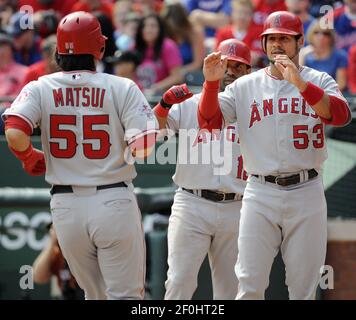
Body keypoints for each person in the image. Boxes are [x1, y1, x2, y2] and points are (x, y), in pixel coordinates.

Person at [2, 11, 158, 300]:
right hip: (113, 199)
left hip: (66, 206)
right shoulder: (121, 86)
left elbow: (13, 131)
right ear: (99, 48)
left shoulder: (39, 86)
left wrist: (27, 156)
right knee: (126, 297)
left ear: (59, 51)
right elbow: (144, 145)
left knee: (93, 295)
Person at [197, 11, 351, 299]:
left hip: (307, 189)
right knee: (250, 283)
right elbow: (209, 123)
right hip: (259, 192)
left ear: (299, 41)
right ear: (263, 44)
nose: (277, 44)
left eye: (284, 38)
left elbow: (340, 116)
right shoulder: (245, 85)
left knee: (303, 287)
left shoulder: (318, 78)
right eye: (271, 39)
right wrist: (210, 85)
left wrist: (302, 85)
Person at [154, 39, 251, 299]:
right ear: (212, 65)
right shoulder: (189, 103)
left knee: (230, 290)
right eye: (225, 64)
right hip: (192, 203)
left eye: (238, 66)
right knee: (178, 282)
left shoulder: (255, 111)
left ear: (248, 72)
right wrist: (163, 105)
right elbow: (152, 132)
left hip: (237, 206)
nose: (230, 70)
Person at [134, 13, 183, 96]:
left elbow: (177, 77)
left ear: (160, 29)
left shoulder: (168, 46)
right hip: (139, 95)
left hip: (162, 97)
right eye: (144, 26)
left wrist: (155, 88)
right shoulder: (134, 47)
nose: (148, 30)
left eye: (153, 26)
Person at [33, 223, 84, 300]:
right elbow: (39, 277)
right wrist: (52, 242)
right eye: (53, 229)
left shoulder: (84, 246)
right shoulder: (56, 253)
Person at [300, 19, 348, 92]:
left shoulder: (340, 56)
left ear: (331, 37)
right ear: (310, 34)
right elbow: (298, 80)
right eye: (316, 32)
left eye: (326, 33)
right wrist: (302, 55)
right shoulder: (304, 54)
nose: (321, 36)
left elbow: (341, 85)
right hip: (307, 97)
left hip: (331, 96)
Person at [162, 2, 205, 77]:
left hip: (191, 75)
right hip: (170, 75)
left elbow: (197, 63)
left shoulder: (195, 32)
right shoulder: (165, 33)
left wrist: (178, 73)